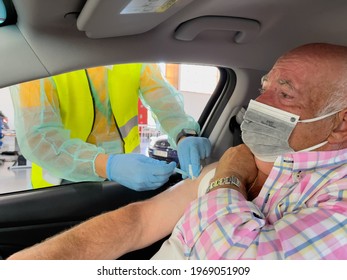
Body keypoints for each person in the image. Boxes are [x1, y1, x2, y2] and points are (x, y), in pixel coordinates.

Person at [7, 43, 347, 260]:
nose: (257, 103)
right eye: (264, 87)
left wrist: (189, 138)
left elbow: (164, 99)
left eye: (284, 94)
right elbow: (138, 220)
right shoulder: (47, 72)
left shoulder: (330, 194)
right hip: (61, 175)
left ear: (340, 125)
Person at [10, 63, 211, 190]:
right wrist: (107, 165)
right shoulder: (40, 61)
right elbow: (37, 137)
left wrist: (184, 135)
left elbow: (164, 99)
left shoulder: (132, 54)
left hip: (124, 180)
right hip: (60, 187)